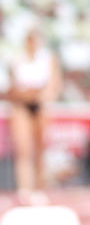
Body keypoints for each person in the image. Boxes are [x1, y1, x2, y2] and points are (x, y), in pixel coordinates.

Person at [5, 27, 62, 205]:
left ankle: (39, 188)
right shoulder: (18, 59)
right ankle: (24, 189)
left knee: (40, 148)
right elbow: (12, 86)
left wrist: (43, 96)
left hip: (40, 105)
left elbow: (54, 84)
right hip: (22, 105)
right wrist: (24, 94)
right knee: (23, 148)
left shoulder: (47, 58)